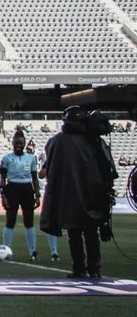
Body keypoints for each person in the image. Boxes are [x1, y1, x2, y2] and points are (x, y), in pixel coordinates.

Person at [39, 107, 117, 279]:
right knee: (91, 232)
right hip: (92, 193)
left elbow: (50, 171)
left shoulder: (56, 141)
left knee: (74, 233)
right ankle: (94, 268)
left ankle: (79, 268)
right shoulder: (93, 140)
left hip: (68, 196)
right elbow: (107, 168)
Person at [0, 129, 42, 261]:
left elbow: (35, 177)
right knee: (10, 220)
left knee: (29, 221)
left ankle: (32, 251)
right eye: (16, 142)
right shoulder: (6, 158)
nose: (18, 145)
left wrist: (37, 194)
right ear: (12, 143)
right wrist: (3, 196)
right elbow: (2, 179)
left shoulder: (31, 158)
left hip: (27, 188)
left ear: (24, 143)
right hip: (12, 188)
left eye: (21, 142)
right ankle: (5, 250)